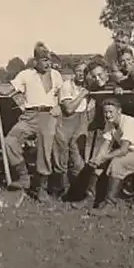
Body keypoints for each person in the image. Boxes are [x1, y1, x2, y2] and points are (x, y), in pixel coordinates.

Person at [0, 44, 63, 204]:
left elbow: (61, 94)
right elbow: (7, 90)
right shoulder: (25, 75)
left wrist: (58, 105)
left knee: (45, 151)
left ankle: (41, 189)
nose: (47, 63)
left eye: (48, 60)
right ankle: (24, 177)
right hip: (29, 115)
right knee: (10, 142)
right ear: (35, 61)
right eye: (44, 60)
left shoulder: (56, 75)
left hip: (49, 115)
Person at [84, 97, 134, 213]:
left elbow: (122, 150)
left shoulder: (128, 122)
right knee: (98, 163)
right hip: (130, 152)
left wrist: (104, 157)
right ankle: (89, 200)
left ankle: (109, 206)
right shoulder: (110, 123)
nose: (107, 115)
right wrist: (97, 159)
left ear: (119, 111)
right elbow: (106, 144)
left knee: (117, 163)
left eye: (110, 112)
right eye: (105, 112)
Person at [52, 61, 90, 195]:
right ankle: (61, 188)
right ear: (74, 72)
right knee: (61, 154)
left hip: (81, 120)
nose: (81, 74)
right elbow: (68, 108)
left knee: (77, 155)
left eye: (85, 71)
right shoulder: (67, 86)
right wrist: (82, 95)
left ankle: (78, 188)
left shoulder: (88, 85)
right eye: (79, 71)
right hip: (66, 121)